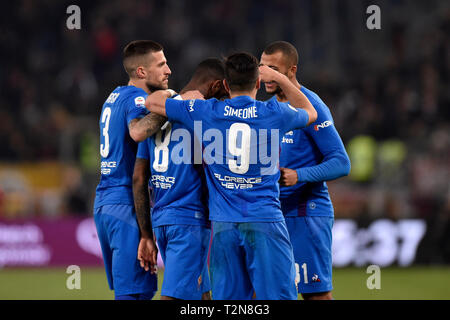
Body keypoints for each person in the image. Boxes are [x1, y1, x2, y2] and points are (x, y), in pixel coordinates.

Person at [144, 52, 317, 300]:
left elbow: (151, 102)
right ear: (258, 83)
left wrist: (181, 98)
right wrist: (281, 78)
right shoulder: (274, 112)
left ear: (225, 84)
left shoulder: (205, 110)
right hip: (265, 221)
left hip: (224, 227)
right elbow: (310, 112)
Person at [260, 41, 351, 300]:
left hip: (306, 214)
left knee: (315, 296)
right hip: (272, 213)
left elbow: (341, 162)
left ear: (291, 70)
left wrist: (300, 175)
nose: (266, 74)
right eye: (262, 67)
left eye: (274, 69)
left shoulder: (312, 106)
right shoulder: (268, 108)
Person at [132, 58, 227, 300]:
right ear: (216, 86)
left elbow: (139, 177)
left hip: (162, 219)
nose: (226, 102)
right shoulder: (201, 117)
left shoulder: (155, 115)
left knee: (202, 295)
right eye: (226, 93)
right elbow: (211, 168)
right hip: (189, 220)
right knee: (174, 297)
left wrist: (146, 233)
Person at [93, 40, 171, 300]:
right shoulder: (138, 98)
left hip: (105, 204)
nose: (168, 70)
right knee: (136, 295)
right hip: (126, 205)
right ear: (141, 72)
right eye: (161, 65)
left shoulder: (113, 97)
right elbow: (137, 132)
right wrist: (170, 105)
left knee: (131, 293)